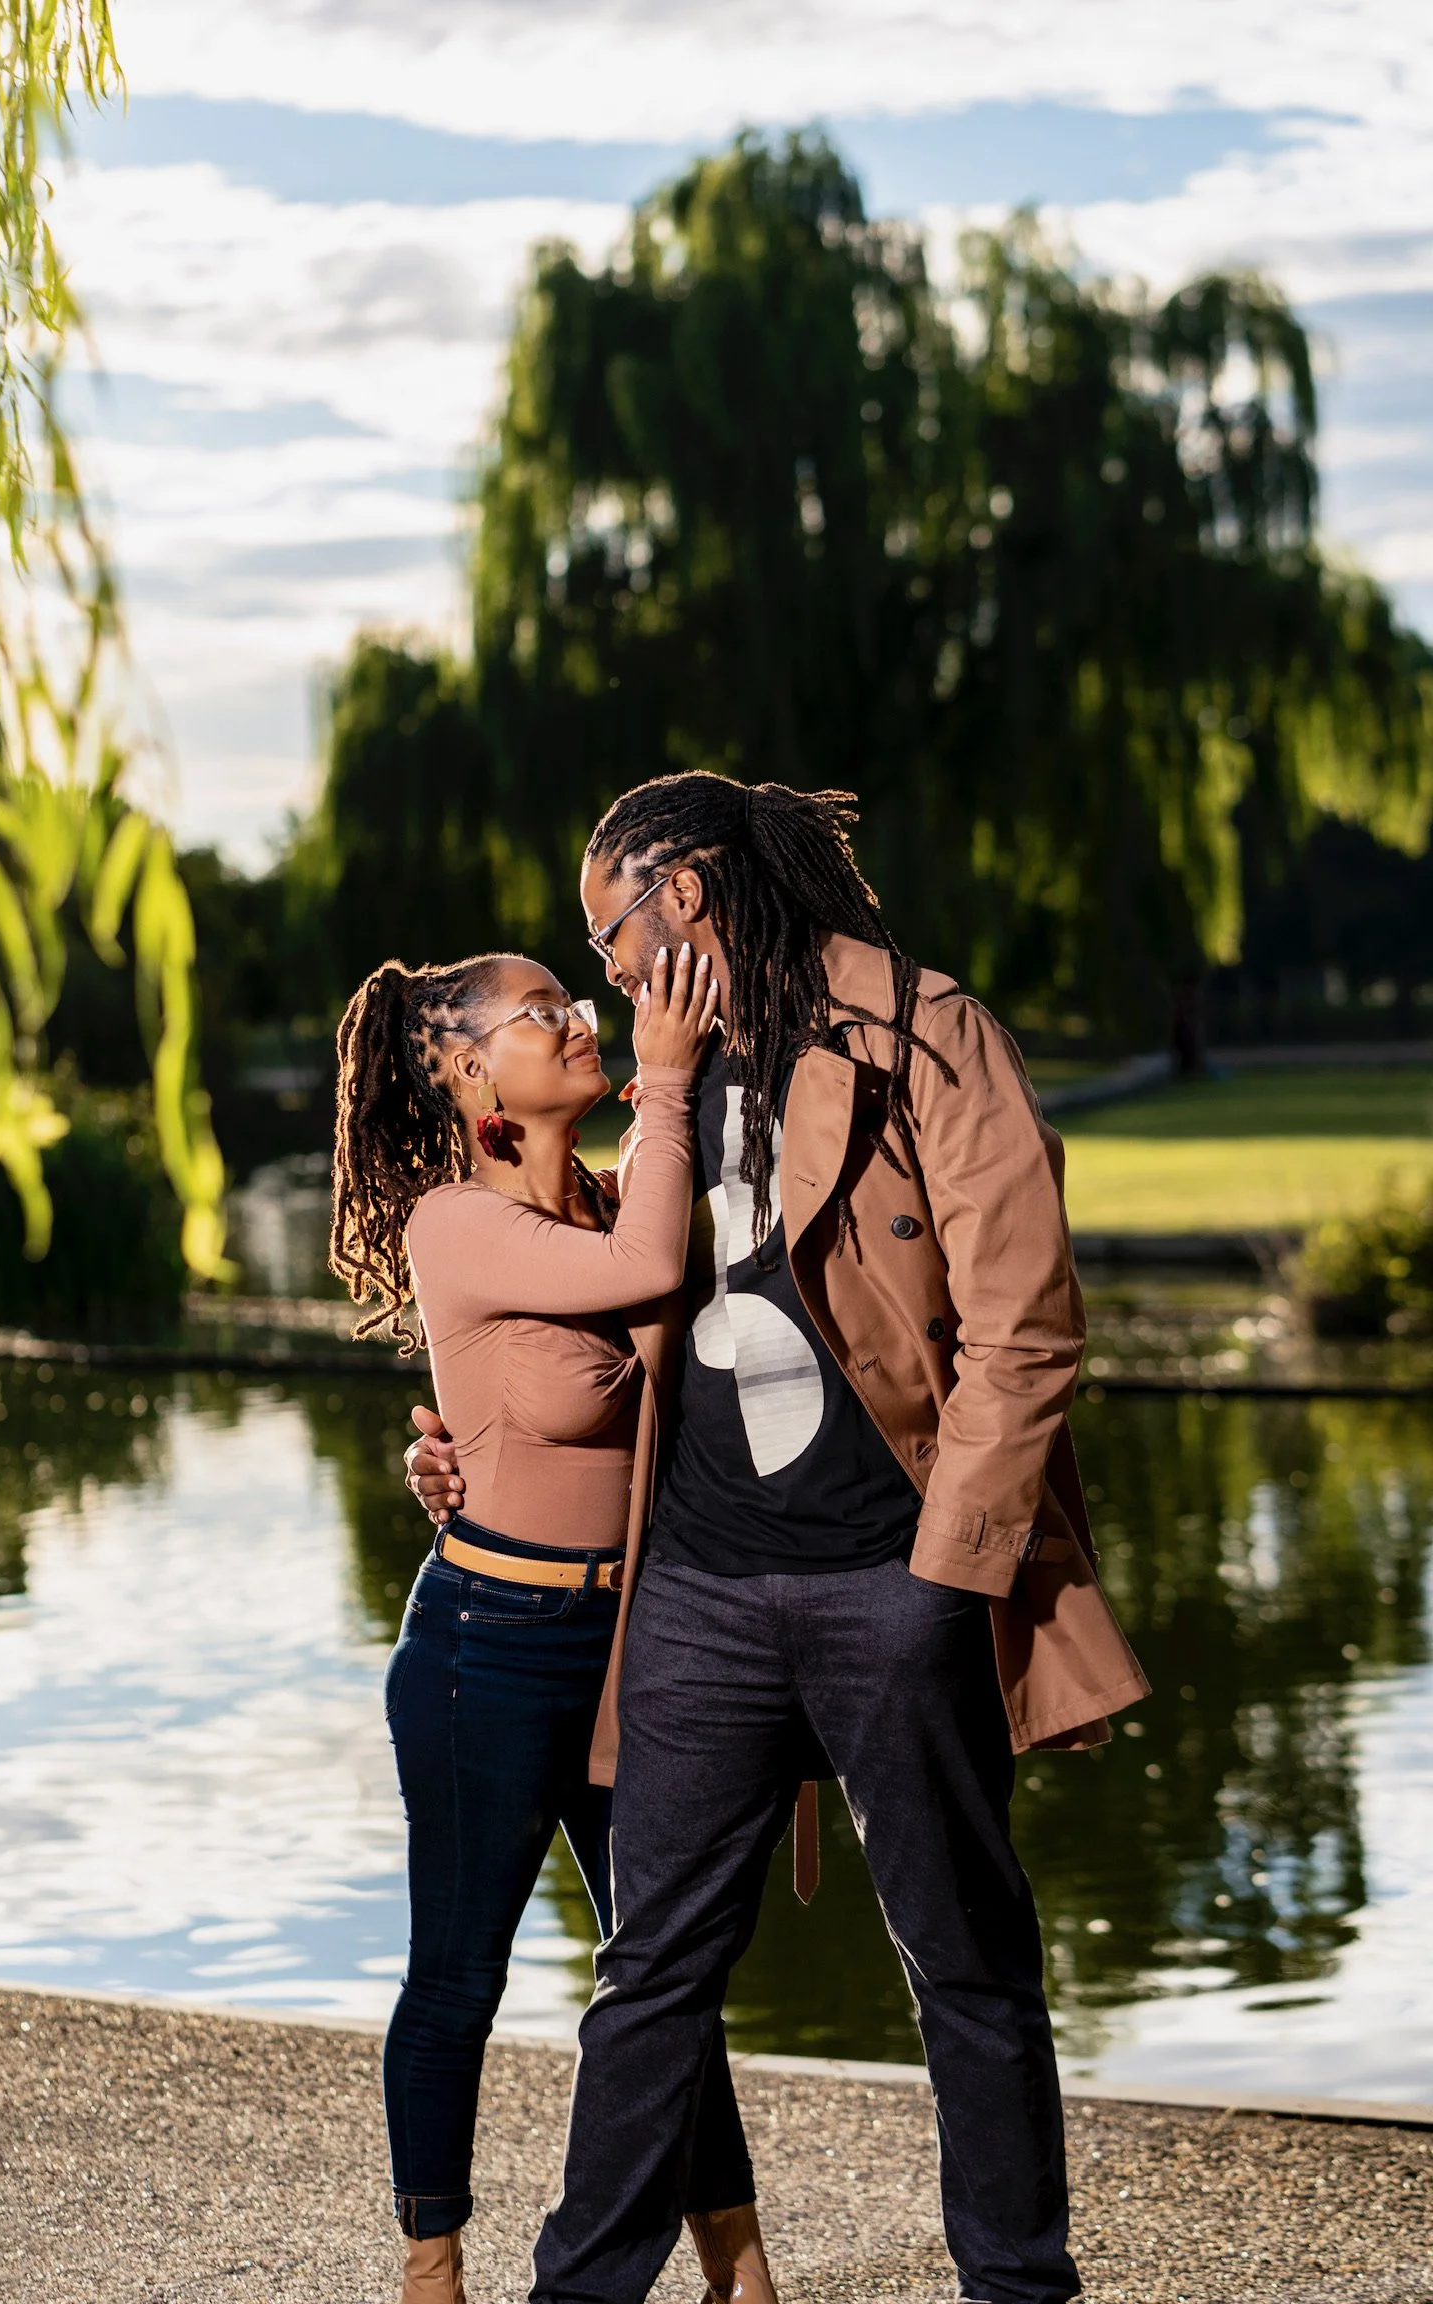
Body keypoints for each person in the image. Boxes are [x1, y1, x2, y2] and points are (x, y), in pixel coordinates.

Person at [408, 773, 1150, 2304]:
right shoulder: (662, 1092)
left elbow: (1026, 1331)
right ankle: (582, 2291)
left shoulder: (923, 1032)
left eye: (609, 931)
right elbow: (567, 1301)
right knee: (653, 1978)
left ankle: (1019, 2287)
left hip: (896, 1578)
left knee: (967, 1967)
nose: (606, 974)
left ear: (684, 891)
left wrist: (951, 1573)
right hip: (693, 1595)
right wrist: (455, 1446)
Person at [330, 942, 776, 2304]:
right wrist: (667, 1076)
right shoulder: (455, 1222)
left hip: (632, 1647)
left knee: (661, 1975)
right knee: (457, 1975)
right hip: (488, 1652)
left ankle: (741, 2278)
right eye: (543, 1014)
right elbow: (652, 1270)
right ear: (473, 1075)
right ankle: (432, 2272)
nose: (576, 1019)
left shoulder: (597, 1196)